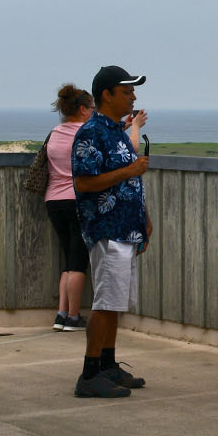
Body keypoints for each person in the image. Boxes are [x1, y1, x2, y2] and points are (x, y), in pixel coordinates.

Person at [70, 65, 152, 399]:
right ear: (107, 94)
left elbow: (129, 181)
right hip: (106, 230)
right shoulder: (91, 133)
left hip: (126, 229)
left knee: (115, 302)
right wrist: (131, 169)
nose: (133, 97)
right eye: (127, 91)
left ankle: (108, 364)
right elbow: (83, 182)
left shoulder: (117, 130)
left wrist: (144, 218)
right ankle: (89, 374)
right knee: (105, 303)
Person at [43, 83, 93, 331]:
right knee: (78, 261)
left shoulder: (54, 133)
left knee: (67, 258)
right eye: (92, 108)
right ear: (83, 109)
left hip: (53, 201)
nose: (94, 113)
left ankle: (61, 315)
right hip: (78, 200)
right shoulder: (85, 133)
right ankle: (74, 317)